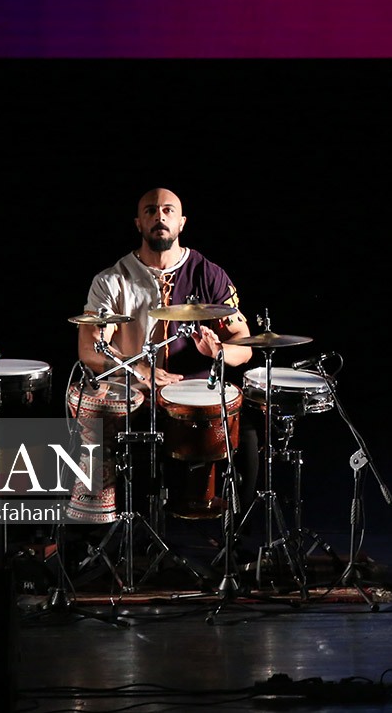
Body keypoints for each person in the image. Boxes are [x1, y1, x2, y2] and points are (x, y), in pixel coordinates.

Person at [75, 187, 259, 535]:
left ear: (182, 222)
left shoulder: (210, 274)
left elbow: (245, 345)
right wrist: (138, 369)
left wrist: (218, 351)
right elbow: (90, 350)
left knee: (246, 434)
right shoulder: (112, 280)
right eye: (150, 210)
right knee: (106, 430)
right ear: (138, 222)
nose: (159, 216)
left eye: (168, 210)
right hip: (139, 395)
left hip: (197, 399)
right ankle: (119, 534)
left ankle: (237, 540)